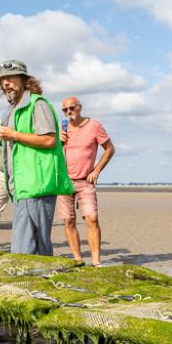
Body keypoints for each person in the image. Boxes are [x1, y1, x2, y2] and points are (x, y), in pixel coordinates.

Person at [0, 60, 72, 255]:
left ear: (24, 80)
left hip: (37, 184)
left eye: (10, 78)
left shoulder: (37, 104)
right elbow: (19, 143)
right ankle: (40, 281)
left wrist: (14, 135)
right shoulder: (12, 110)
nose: (5, 83)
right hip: (21, 186)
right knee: (32, 246)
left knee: (27, 248)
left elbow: (49, 140)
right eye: (2, 80)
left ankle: (37, 282)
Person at [57, 97, 115, 267]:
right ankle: (77, 259)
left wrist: (96, 170)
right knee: (68, 220)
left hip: (85, 181)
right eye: (65, 109)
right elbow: (50, 153)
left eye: (72, 108)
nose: (69, 112)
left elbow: (110, 149)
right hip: (64, 181)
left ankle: (96, 261)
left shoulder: (94, 125)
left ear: (79, 108)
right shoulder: (61, 128)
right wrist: (57, 144)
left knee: (92, 218)